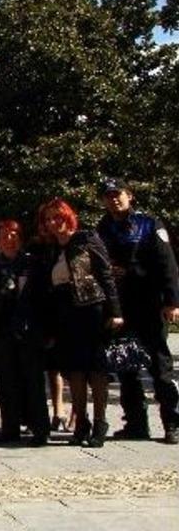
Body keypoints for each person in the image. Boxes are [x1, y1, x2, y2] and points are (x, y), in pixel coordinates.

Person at [95, 179, 179, 444]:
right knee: (126, 366)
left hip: (150, 304)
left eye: (117, 194)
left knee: (159, 367)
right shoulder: (103, 227)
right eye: (108, 196)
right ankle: (136, 423)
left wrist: (172, 301)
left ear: (129, 195)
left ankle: (172, 423)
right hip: (121, 307)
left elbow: (167, 263)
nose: (113, 200)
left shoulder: (148, 224)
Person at [36, 198, 123, 447]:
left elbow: (106, 274)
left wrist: (115, 312)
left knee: (96, 369)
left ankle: (100, 422)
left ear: (68, 217)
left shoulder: (87, 238)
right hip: (65, 312)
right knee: (74, 369)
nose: (54, 223)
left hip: (91, 308)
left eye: (58, 217)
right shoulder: (51, 248)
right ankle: (81, 422)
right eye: (49, 219)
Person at [0, 220, 49, 445]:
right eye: (5, 235)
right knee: (6, 382)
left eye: (14, 235)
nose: (10, 239)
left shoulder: (32, 263)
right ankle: (10, 427)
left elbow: (43, 299)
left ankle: (40, 428)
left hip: (28, 330)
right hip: (2, 330)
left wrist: (46, 330)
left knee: (33, 382)